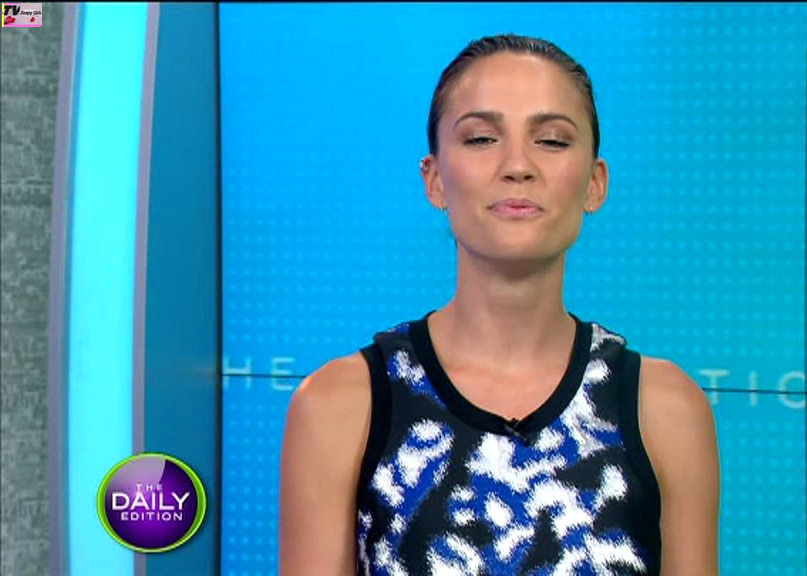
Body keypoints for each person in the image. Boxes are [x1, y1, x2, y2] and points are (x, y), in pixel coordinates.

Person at [280, 33, 721, 575]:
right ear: (435, 179)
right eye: (482, 138)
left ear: (595, 183)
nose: (517, 165)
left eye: (552, 140)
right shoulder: (342, 406)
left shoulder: (666, 410)